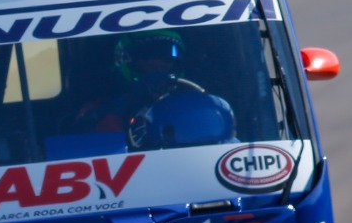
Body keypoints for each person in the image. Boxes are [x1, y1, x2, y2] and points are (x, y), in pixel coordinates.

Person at [72, 30, 236, 149]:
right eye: (147, 55)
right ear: (124, 59)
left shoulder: (199, 101)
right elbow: (83, 143)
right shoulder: (99, 107)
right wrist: (131, 101)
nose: (158, 64)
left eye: (167, 57)